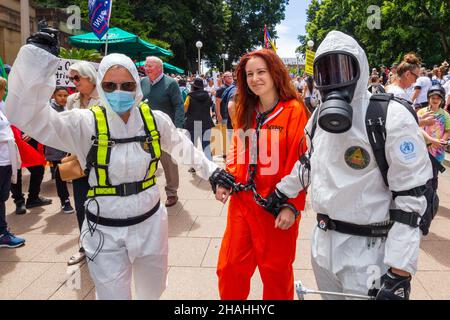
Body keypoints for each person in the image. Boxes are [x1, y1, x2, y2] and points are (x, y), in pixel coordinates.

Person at [5, 32, 234, 299]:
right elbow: (25, 114)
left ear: (137, 85)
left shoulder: (154, 120)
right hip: (104, 230)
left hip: (150, 224)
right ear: (100, 86)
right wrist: (36, 58)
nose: (119, 92)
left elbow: (183, 146)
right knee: (113, 294)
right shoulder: (83, 122)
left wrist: (213, 172)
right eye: (110, 86)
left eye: (127, 85)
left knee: (154, 289)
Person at [270, 31, 433, 300]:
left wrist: (399, 272)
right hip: (323, 245)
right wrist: (280, 191)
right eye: (326, 73)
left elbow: (412, 199)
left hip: (369, 251)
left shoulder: (389, 117)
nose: (335, 81)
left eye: (343, 70)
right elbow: (310, 163)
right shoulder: (319, 118)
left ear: (360, 69)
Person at [214, 49, 309, 300]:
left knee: (276, 272)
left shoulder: (294, 110)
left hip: (276, 205)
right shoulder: (246, 107)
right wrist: (228, 177)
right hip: (242, 203)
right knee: (230, 268)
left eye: (261, 72)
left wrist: (292, 205)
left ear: (275, 73)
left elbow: (301, 162)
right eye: (249, 74)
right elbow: (237, 147)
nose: (255, 78)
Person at [66, 61, 100, 266]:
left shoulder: (104, 97)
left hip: (102, 161)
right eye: (72, 78)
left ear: (89, 77)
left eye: (77, 78)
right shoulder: (71, 100)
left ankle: (104, 246)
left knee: (103, 205)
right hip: (78, 161)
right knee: (81, 205)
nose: (74, 82)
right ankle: (84, 246)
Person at [141, 56, 185, 207]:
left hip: (165, 132)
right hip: (146, 132)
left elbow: (179, 105)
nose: (146, 69)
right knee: (145, 163)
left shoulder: (171, 83)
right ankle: (146, 192)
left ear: (159, 68)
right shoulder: (143, 82)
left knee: (169, 164)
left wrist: (178, 128)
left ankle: (172, 193)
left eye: (150, 66)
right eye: (146, 66)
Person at [0, 76, 25, 248]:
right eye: (3, 89)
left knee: (2, 197)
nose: (4, 93)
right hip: (1, 162)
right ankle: (2, 234)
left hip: (6, 159)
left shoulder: (1, 107)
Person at [45, 87, 74, 214]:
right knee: (60, 175)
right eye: (59, 95)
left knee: (70, 173)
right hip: (55, 148)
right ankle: (65, 201)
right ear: (54, 96)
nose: (63, 98)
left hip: (69, 147)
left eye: (65, 95)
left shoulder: (70, 107)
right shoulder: (48, 108)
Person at [184, 78, 214, 170]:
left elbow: (185, 109)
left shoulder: (189, 97)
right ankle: (210, 166)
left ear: (194, 86)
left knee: (193, 147)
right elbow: (210, 108)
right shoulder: (208, 96)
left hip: (193, 124)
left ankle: (193, 166)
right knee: (206, 145)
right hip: (206, 123)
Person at [417, 85, 450, 166]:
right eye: (433, 98)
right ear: (428, 99)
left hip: (437, 151)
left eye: (438, 98)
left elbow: (447, 131)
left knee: (434, 175)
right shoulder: (421, 112)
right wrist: (431, 140)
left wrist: (441, 141)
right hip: (422, 149)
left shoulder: (446, 115)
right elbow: (418, 128)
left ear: (442, 100)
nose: (435, 100)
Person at [215, 71, 234, 158]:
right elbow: (217, 103)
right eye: (228, 76)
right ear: (224, 78)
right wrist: (218, 114)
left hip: (231, 115)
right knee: (225, 135)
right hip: (224, 115)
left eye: (231, 76)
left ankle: (230, 151)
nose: (230, 77)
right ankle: (226, 152)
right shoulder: (221, 89)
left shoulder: (233, 87)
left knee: (231, 134)